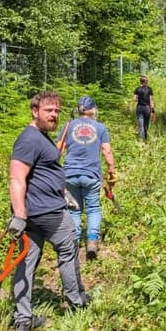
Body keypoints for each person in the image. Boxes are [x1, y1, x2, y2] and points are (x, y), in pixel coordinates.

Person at [7, 90, 90, 331]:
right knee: (68, 251)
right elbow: (16, 178)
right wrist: (19, 216)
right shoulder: (29, 139)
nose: (53, 115)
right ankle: (77, 303)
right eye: (48, 110)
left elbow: (42, 170)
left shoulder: (40, 137)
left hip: (38, 211)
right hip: (47, 213)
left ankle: (23, 319)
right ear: (35, 111)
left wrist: (60, 187)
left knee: (26, 262)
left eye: (56, 111)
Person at [58, 95, 116, 261]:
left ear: (79, 110)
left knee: (74, 209)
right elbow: (106, 151)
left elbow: (59, 150)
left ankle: (74, 242)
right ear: (92, 110)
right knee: (93, 208)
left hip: (70, 174)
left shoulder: (68, 126)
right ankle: (92, 241)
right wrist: (111, 169)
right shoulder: (100, 127)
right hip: (91, 175)